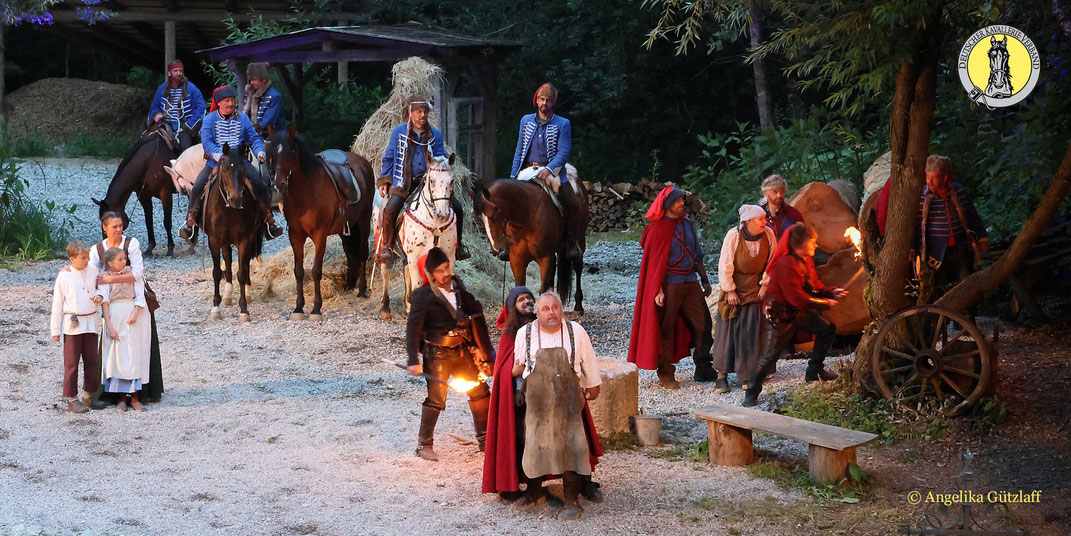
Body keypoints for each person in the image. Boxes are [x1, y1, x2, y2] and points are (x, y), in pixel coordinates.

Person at [483, 287, 604, 506]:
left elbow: (589, 360)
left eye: (555, 307)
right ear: (540, 312)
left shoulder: (575, 330)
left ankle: (573, 496)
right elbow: (516, 365)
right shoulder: (523, 334)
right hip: (537, 402)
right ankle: (534, 491)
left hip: (568, 399)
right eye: (546, 308)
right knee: (534, 447)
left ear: (561, 309)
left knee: (573, 445)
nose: (551, 313)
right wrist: (513, 385)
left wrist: (593, 384)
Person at [742, 224, 846, 407]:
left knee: (827, 330)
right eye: (812, 242)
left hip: (797, 312)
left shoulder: (803, 260)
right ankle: (751, 392)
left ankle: (815, 370)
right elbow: (796, 297)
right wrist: (824, 303)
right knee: (768, 357)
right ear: (802, 243)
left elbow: (812, 285)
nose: (815, 245)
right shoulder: (786, 263)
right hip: (779, 317)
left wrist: (831, 292)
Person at [406, 247, 490, 461]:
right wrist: (413, 360)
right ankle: (424, 444)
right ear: (430, 273)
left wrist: (480, 346)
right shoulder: (422, 296)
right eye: (440, 270)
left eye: (447, 268)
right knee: (436, 399)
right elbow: (413, 329)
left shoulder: (457, 285)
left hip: (462, 351)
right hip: (437, 354)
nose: (446, 273)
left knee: (480, 391)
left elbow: (474, 311)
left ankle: (485, 439)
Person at [627, 185, 715, 388]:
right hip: (669, 285)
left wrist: (704, 278)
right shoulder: (656, 229)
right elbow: (654, 265)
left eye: (682, 200)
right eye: (678, 201)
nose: (682, 203)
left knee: (704, 324)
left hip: (690, 282)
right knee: (665, 327)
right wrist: (657, 290)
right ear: (667, 205)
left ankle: (703, 367)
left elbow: (696, 253)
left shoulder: (686, 223)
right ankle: (666, 372)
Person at [178, 86, 282, 240]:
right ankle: (190, 224)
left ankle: (269, 223)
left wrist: (259, 150)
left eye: (232, 100)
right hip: (216, 162)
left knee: (259, 184)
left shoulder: (243, 119)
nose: (231, 104)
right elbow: (206, 142)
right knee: (198, 186)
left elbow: (253, 138)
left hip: (240, 161)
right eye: (227, 101)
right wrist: (220, 155)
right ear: (219, 103)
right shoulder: (209, 120)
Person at [376, 97, 470, 262]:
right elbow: (389, 157)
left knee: (457, 208)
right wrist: (384, 179)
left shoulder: (436, 134)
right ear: (411, 114)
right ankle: (387, 247)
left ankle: (459, 246)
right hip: (404, 183)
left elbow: (440, 156)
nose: (422, 115)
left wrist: (443, 167)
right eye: (419, 112)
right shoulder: (399, 132)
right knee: (390, 210)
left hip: (429, 183)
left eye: (425, 112)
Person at [90, 211, 164, 402]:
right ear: (105, 228)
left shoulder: (131, 244)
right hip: (114, 305)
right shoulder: (97, 249)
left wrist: (110, 278)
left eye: (121, 225)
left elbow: (138, 273)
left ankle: (143, 391)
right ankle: (114, 393)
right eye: (114, 226)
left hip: (134, 302)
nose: (119, 229)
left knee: (139, 346)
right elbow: (91, 273)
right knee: (114, 348)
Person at [508, 83, 583, 260]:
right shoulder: (525, 120)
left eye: (548, 100)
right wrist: (513, 175)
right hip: (527, 170)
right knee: (508, 200)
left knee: (571, 202)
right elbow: (519, 149)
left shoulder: (563, 123)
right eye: (542, 99)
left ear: (553, 102)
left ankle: (572, 242)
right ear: (537, 101)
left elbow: (563, 152)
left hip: (553, 172)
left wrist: (549, 169)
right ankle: (508, 242)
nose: (544, 103)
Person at [713, 205, 776, 393]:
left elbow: (773, 261)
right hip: (736, 290)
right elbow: (725, 264)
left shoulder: (769, 235)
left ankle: (747, 375)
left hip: (756, 291)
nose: (764, 222)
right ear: (747, 222)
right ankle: (722, 376)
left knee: (752, 333)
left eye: (765, 218)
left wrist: (765, 284)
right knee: (728, 332)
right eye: (760, 219)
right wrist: (730, 290)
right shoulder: (734, 236)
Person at [914, 155, 989, 297]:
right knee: (939, 290)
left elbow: (972, 216)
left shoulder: (960, 192)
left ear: (945, 177)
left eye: (934, 177)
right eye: (927, 177)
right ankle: (944, 319)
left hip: (960, 248)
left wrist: (982, 238)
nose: (929, 181)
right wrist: (913, 248)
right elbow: (916, 225)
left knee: (967, 286)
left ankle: (968, 317)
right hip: (934, 253)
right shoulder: (922, 197)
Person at [50, 240, 103, 413]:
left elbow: (101, 289)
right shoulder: (64, 276)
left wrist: (99, 297)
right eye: (83, 258)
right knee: (72, 363)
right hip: (73, 324)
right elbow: (57, 303)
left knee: (92, 360)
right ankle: (72, 399)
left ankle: (88, 396)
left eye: (88, 257)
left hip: (90, 322)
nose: (87, 261)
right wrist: (55, 329)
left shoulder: (93, 270)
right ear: (72, 259)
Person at [97, 247, 151, 412]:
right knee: (118, 356)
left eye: (124, 258)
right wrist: (109, 325)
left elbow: (140, 295)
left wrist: (136, 311)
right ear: (110, 262)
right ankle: (121, 397)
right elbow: (105, 301)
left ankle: (135, 396)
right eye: (120, 259)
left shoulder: (131, 275)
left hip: (131, 316)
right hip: (115, 316)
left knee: (134, 354)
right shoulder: (105, 277)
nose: (124, 262)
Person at [147, 60, 205, 153]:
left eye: (180, 71)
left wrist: (187, 127)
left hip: (183, 126)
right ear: (169, 73)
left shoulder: (192, 88)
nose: (179, 73)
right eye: (175, 71)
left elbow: (201, 108)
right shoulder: (162, 88)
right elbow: (155, 106)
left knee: (186, 150)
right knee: (146, 142)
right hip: (165, 125)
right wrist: (156, 114)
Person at [242, 62, 286, 135]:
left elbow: (268, 121)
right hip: (254, 135)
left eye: (254, 79)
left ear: (264, 80)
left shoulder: (275, 96)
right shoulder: (250, 94)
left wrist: (255, 128)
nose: (251, 82)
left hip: (274, 138)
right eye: (250, 80)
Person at [760, 174, 805, 239]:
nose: (779, 195)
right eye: (775, 192)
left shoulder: (793, 213)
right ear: (766, 193)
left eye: (782, 191)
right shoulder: (758, 215)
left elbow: (804, 238)